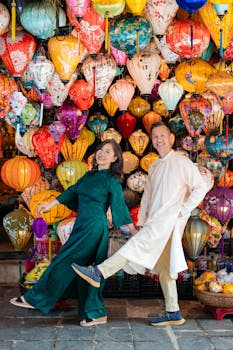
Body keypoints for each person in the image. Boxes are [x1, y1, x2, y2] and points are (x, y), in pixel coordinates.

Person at [71, 121, 213, 327]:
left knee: (135, 247)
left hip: (169, 220)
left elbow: (200, 187)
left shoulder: (182, 162)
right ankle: (173, 312)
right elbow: (147, 196)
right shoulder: (154, 165)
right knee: (165, 267)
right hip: (156, 220)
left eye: (162, 135)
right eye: (155, 136)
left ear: (171, 138)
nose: (159, 140)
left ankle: (99, 272)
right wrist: (141, 221)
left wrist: (183, 210)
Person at [10, 139, 137, 327]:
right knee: (85, 270)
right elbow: (71, 192)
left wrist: (133, 231)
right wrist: (49, 205)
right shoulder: (88, 176)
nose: (101, 153)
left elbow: (119, 207)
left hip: (94, 228)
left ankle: (36, 297)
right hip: (82, 225)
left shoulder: (112, 180)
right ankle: (94, 313)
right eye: (100, 150)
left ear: (115, 158)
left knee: (65, 260)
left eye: (108, 152)